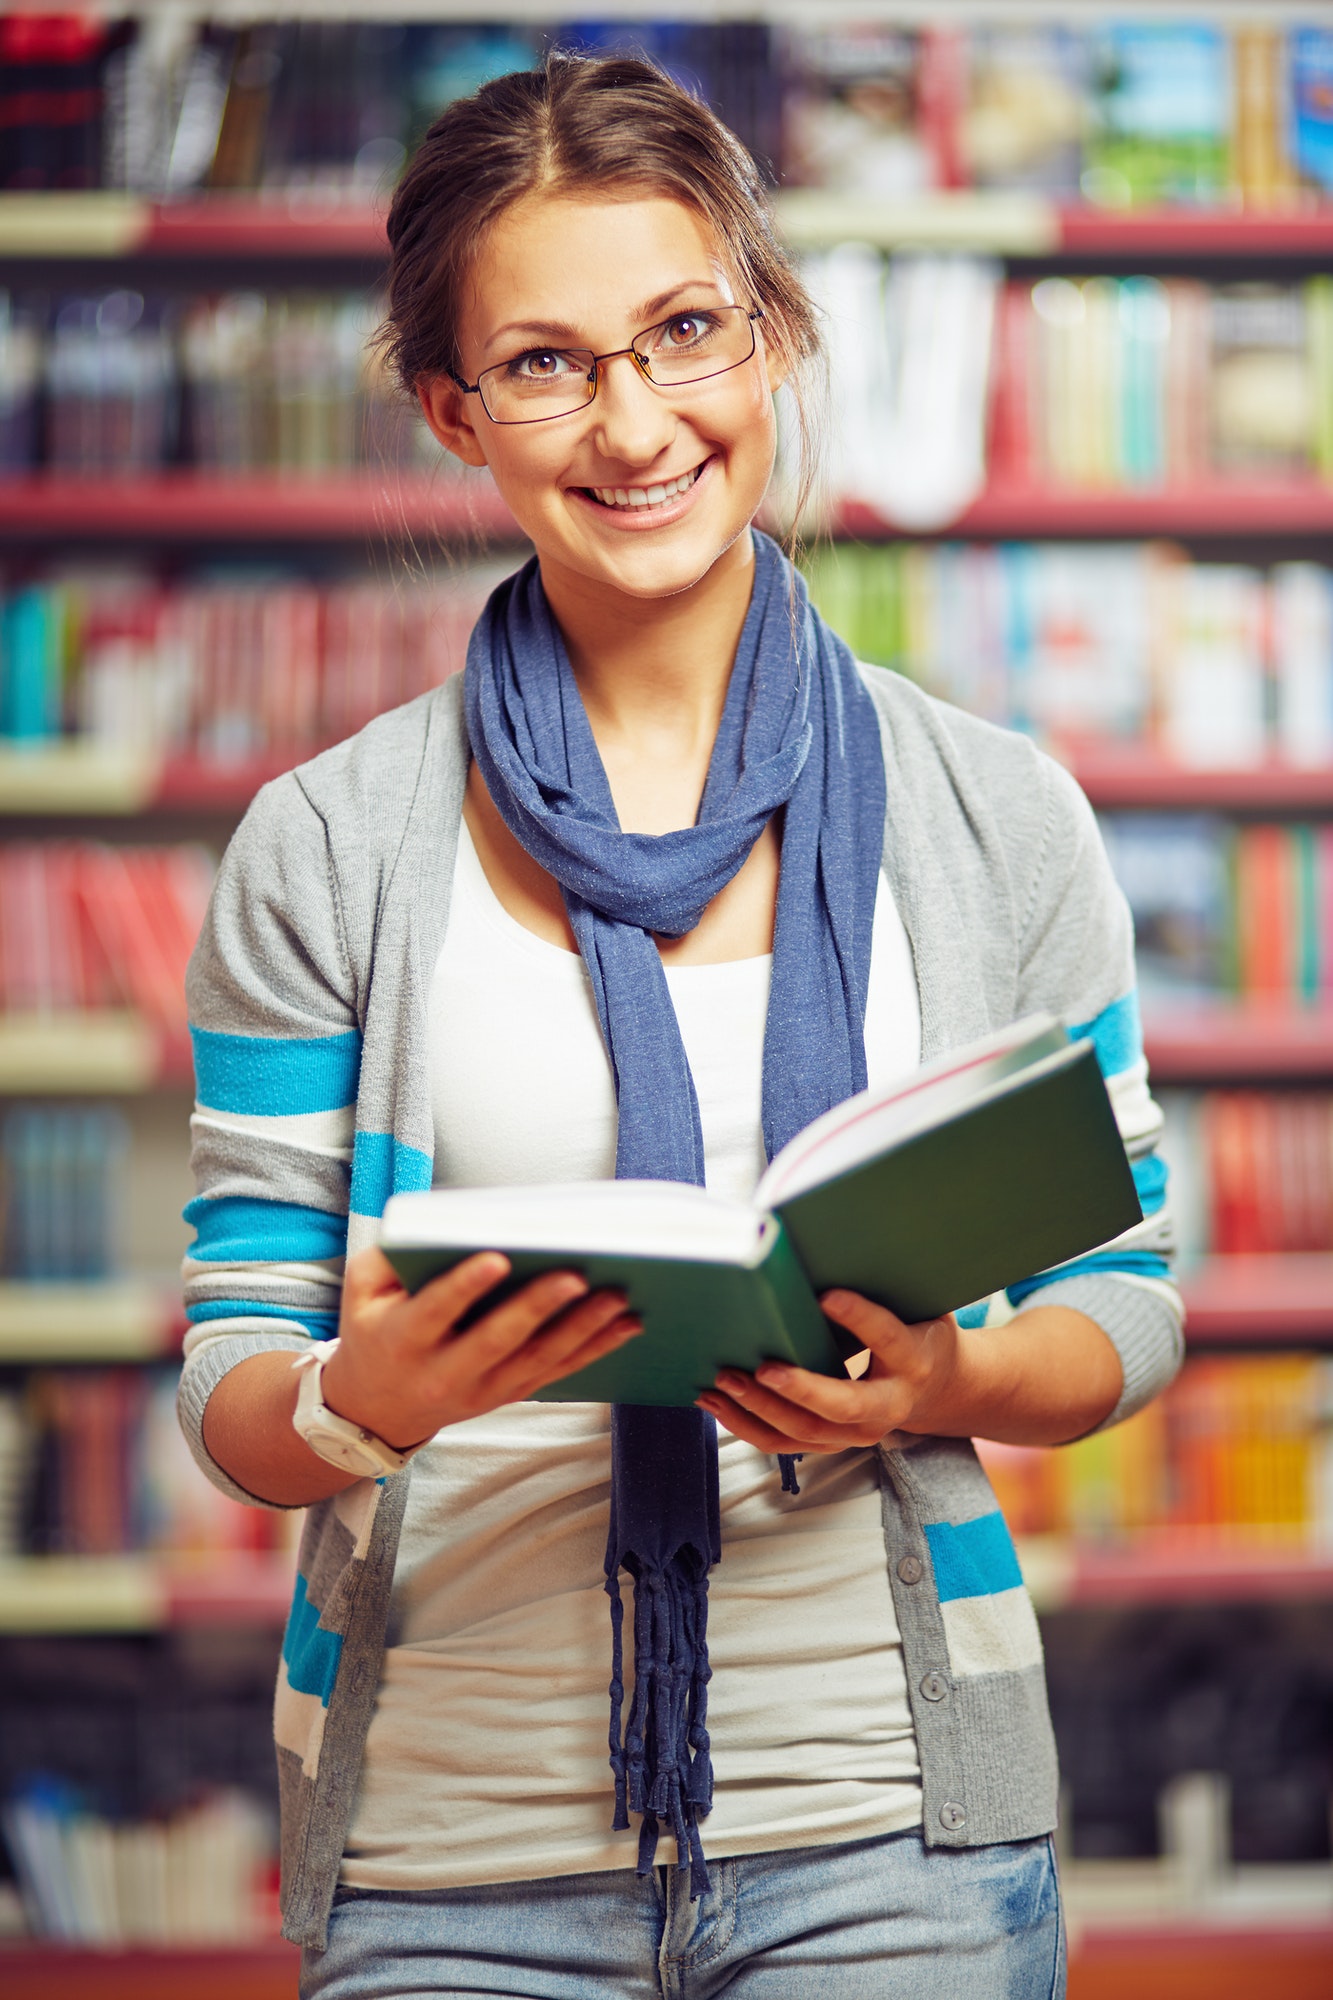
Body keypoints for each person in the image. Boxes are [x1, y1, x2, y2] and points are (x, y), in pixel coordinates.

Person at [179, 53, 1181, 2000]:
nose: (635, 423)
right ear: (453, 408)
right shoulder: (326, 846)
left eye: (684, 332)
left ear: (771, 335)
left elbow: (1124, 1295)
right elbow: (237, 1375)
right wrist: (359, 1402)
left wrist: (939, 1390)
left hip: (889, 1831)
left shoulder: (991, 812)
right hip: (445, 1858)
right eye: (547, 363)